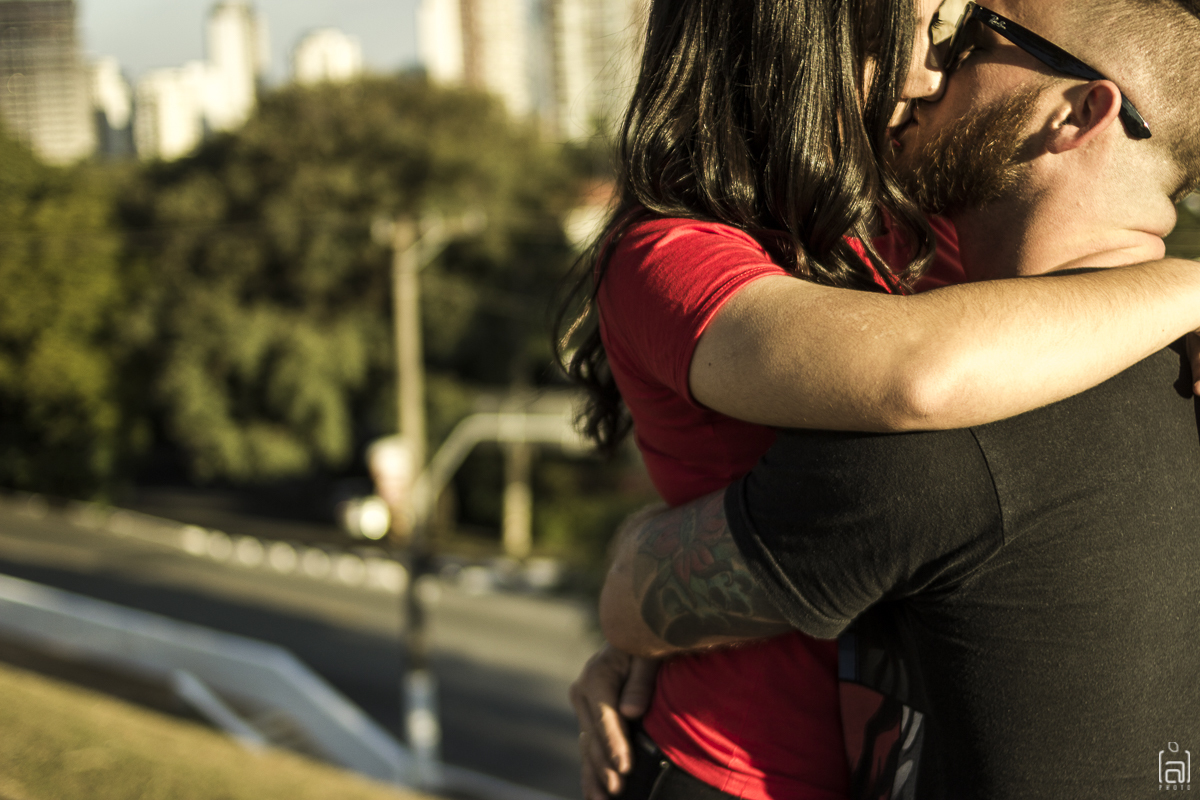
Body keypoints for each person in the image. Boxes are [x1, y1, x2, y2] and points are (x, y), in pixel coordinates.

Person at [558, 0, 1200, 797]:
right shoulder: (676, 257)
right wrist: (1184, 286)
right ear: (807, 48)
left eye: (963, 39)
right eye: (922, 34)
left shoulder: (917, 231)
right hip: (743, 769)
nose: (932, 75)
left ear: (1078, 113)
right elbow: (915, 372)